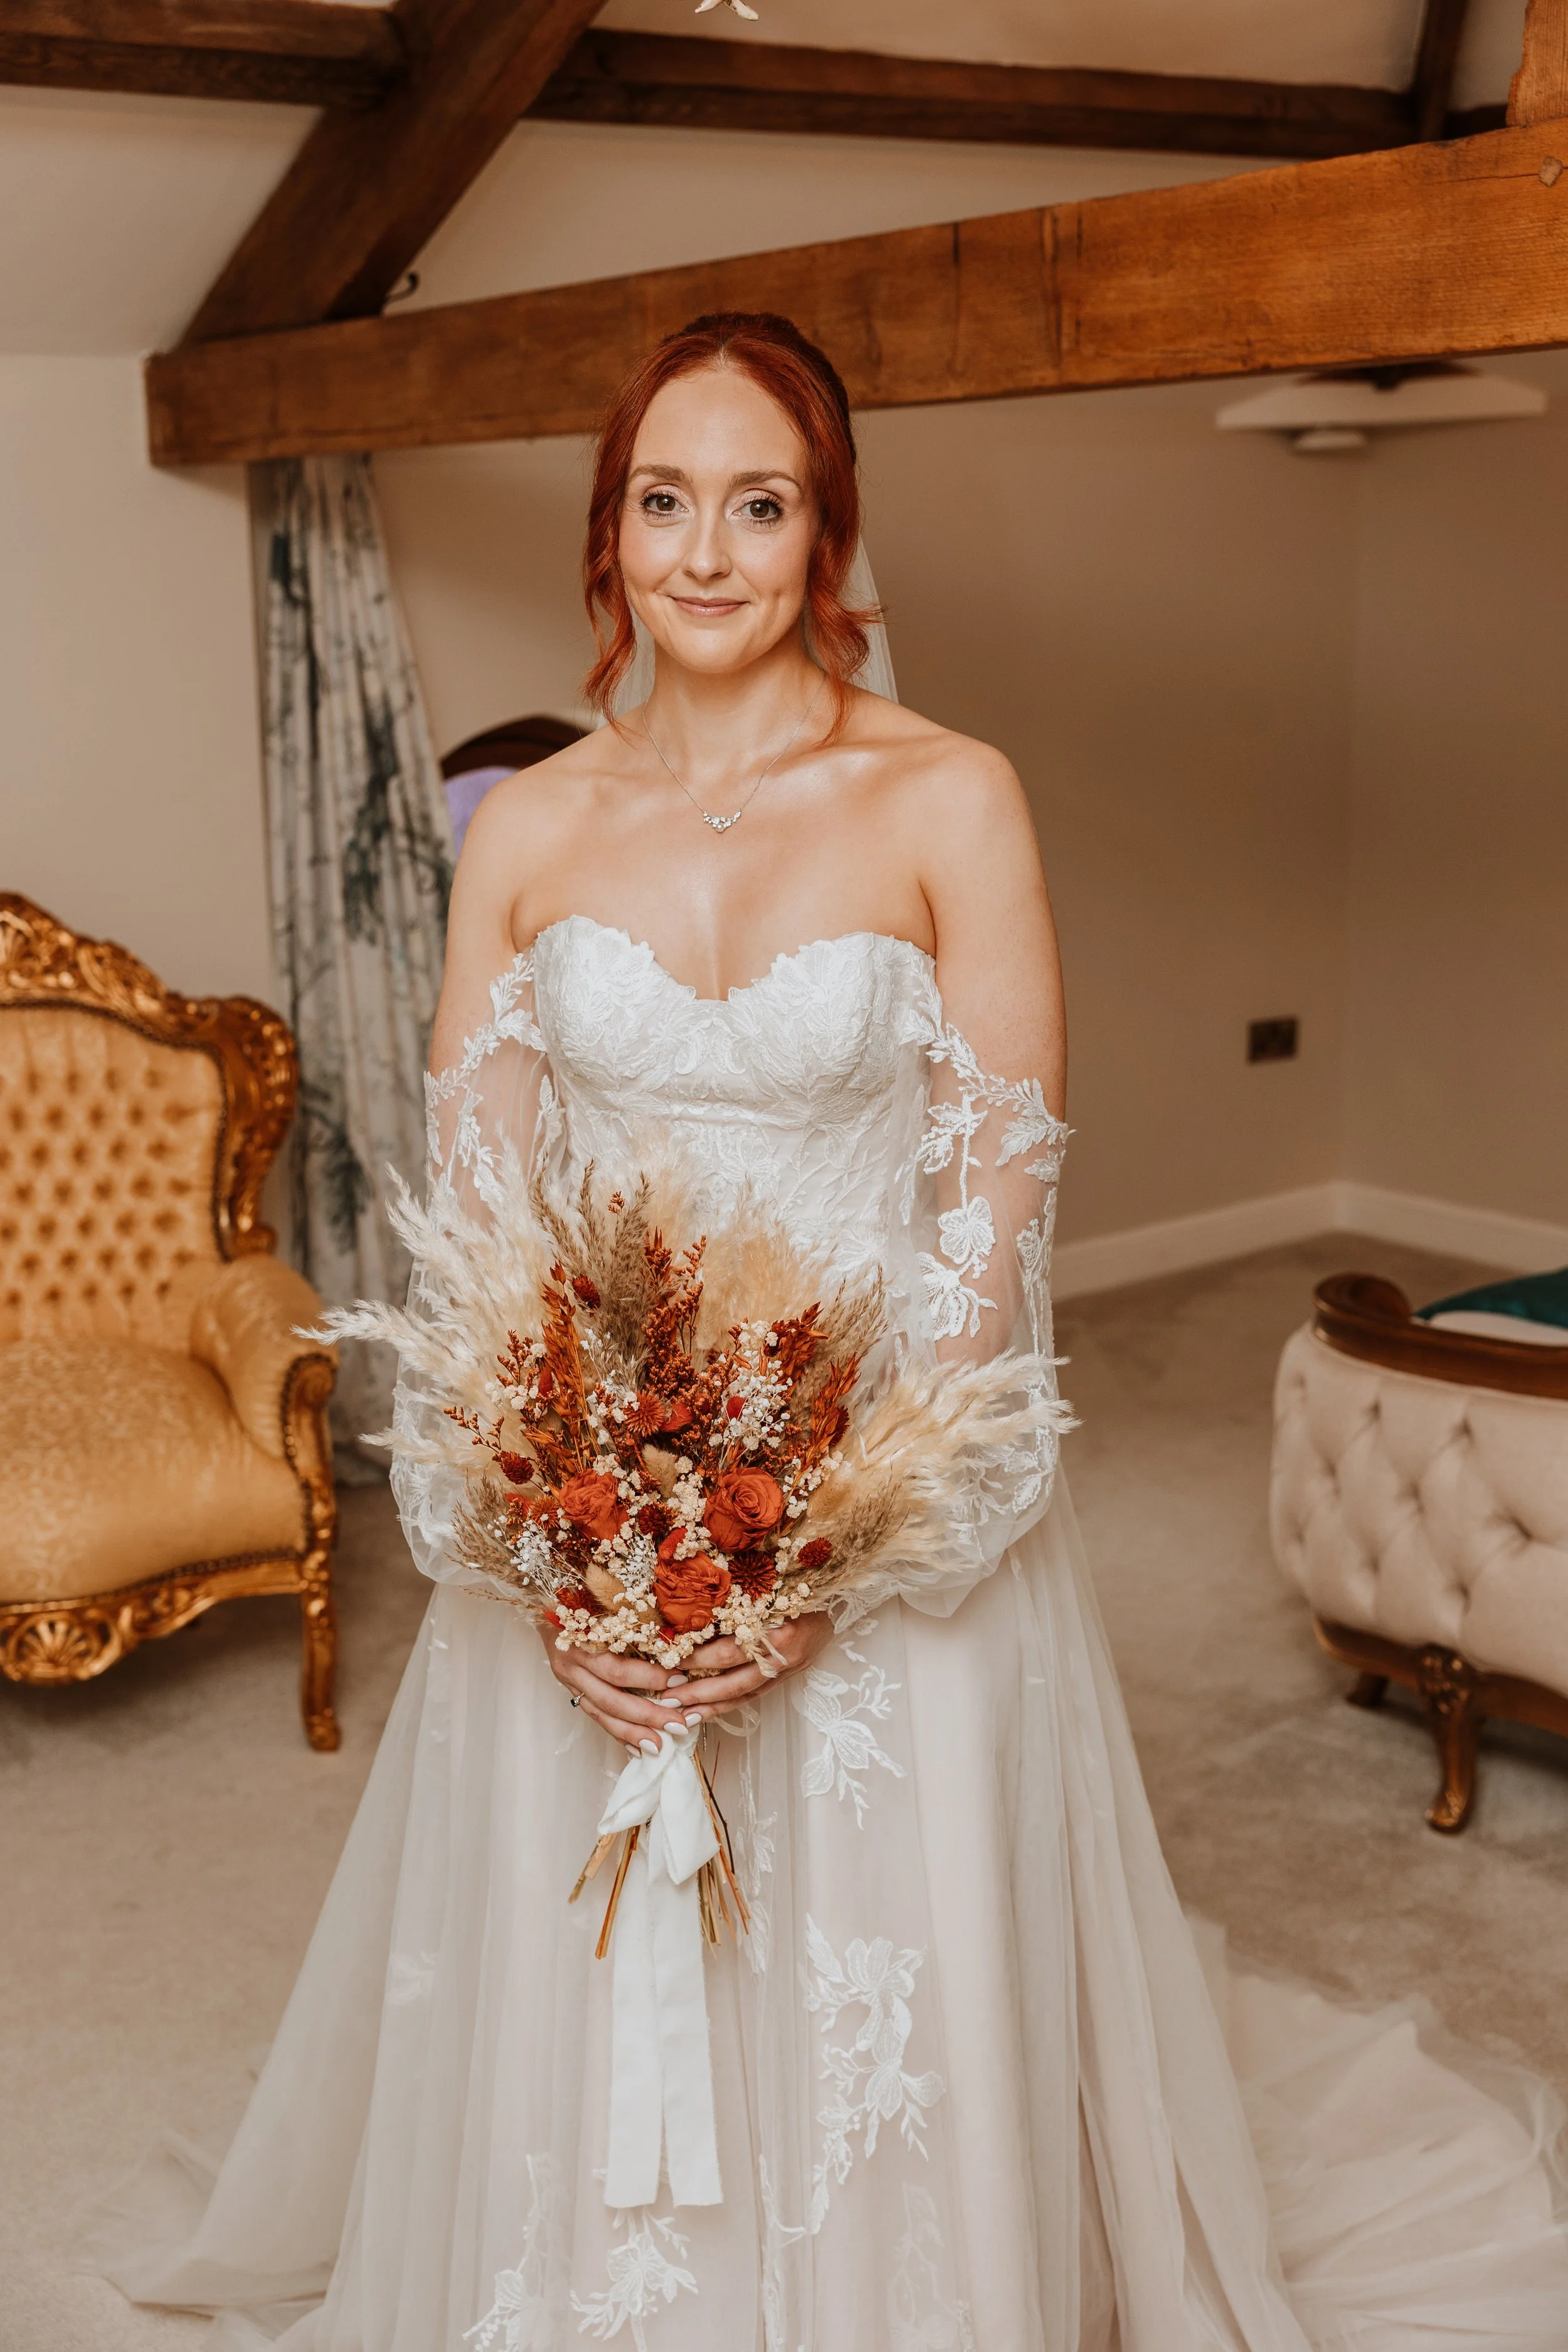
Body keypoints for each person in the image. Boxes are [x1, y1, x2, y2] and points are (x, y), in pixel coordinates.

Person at [80, 313, 1568, 2350]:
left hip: (880, 1468)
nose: (706, 549)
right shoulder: (524, 832)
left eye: (757, 502)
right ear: (609, 538)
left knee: (882, 1956)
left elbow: (997, 1207)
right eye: (663, 500)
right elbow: (480, 1235)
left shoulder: (950, 798)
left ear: (825, 534)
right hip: (597, 1501)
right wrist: (556, 1546)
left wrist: (845, 1535)